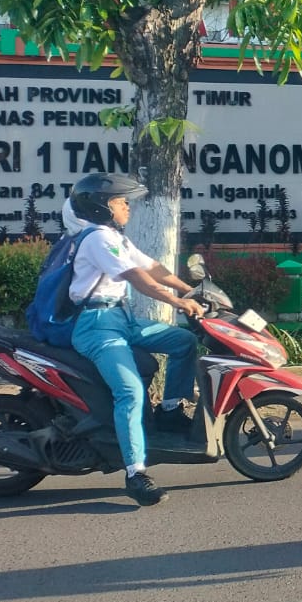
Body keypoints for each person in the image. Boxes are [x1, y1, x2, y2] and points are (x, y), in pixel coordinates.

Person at [63, 173, 204, 506]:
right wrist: (177, 302)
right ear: (102, 207)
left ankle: (170, 410)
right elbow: (138, 279)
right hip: (97, 327)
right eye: (120, 201)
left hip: (122, 320)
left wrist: (192, 290)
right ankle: (135, 472)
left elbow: (152, 268)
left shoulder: (115, 238)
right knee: (129, 391)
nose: (127, 206)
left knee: (183, 342)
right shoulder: (97, 239)